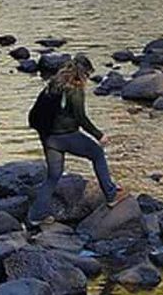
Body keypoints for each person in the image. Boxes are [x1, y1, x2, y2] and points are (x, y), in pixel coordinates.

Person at [27, 54, 127, 224]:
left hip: (48, 137)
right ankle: (111, 195)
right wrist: (99, 135)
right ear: (83, 73)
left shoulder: (53, 84)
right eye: (88, 75)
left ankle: (36, 216)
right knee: (97, 154)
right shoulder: (75, 89)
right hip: (66, 136)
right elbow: (81, 118)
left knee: (53, 176)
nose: (88, 79)